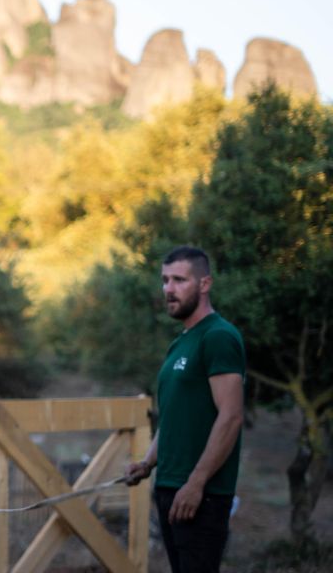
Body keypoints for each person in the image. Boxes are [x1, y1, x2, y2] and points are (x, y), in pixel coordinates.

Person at [125, 245, 245, 573]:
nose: (168, 289)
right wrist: (149, 462)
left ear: (205, 284)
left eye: (179, 280)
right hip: (169, 486)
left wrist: (196, 483)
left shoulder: (218, 337)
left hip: (201, 495)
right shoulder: (180, 343)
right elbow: (175, 417)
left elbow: (232, 416)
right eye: (165, 280)